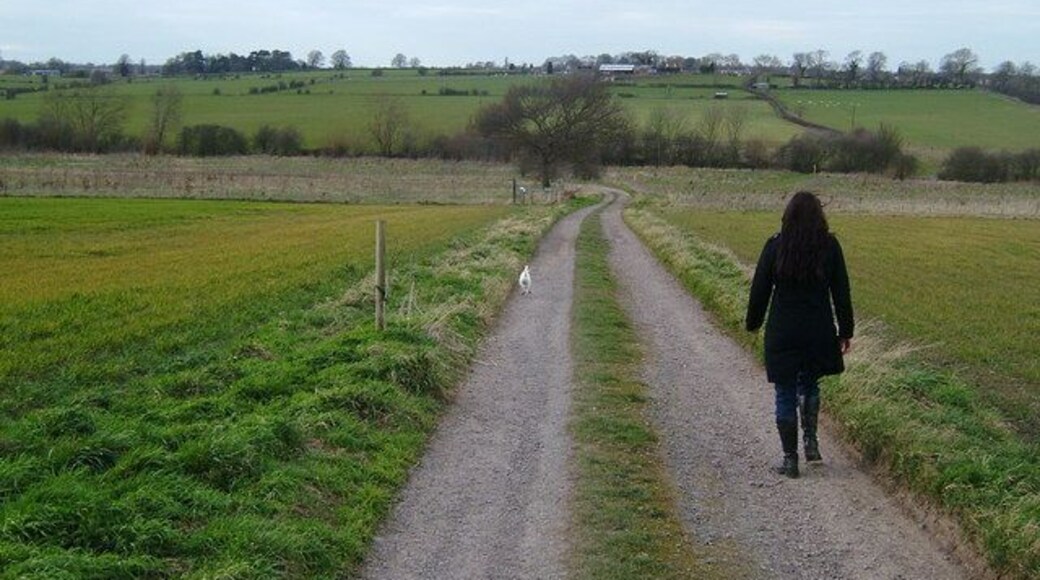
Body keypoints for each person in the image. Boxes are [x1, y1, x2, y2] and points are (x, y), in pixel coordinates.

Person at [745, 191, 854, 479]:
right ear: (820, 217)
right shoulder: (829, 247)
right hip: (818, 330)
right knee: (810, 383)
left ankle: (790, 459)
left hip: (783, 331)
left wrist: (753, 323)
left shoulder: (775, 246)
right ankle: (811, 443)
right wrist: (846, 330)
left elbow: (760, 290)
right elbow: (841, 291)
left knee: (784, 391)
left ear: (788, 216)